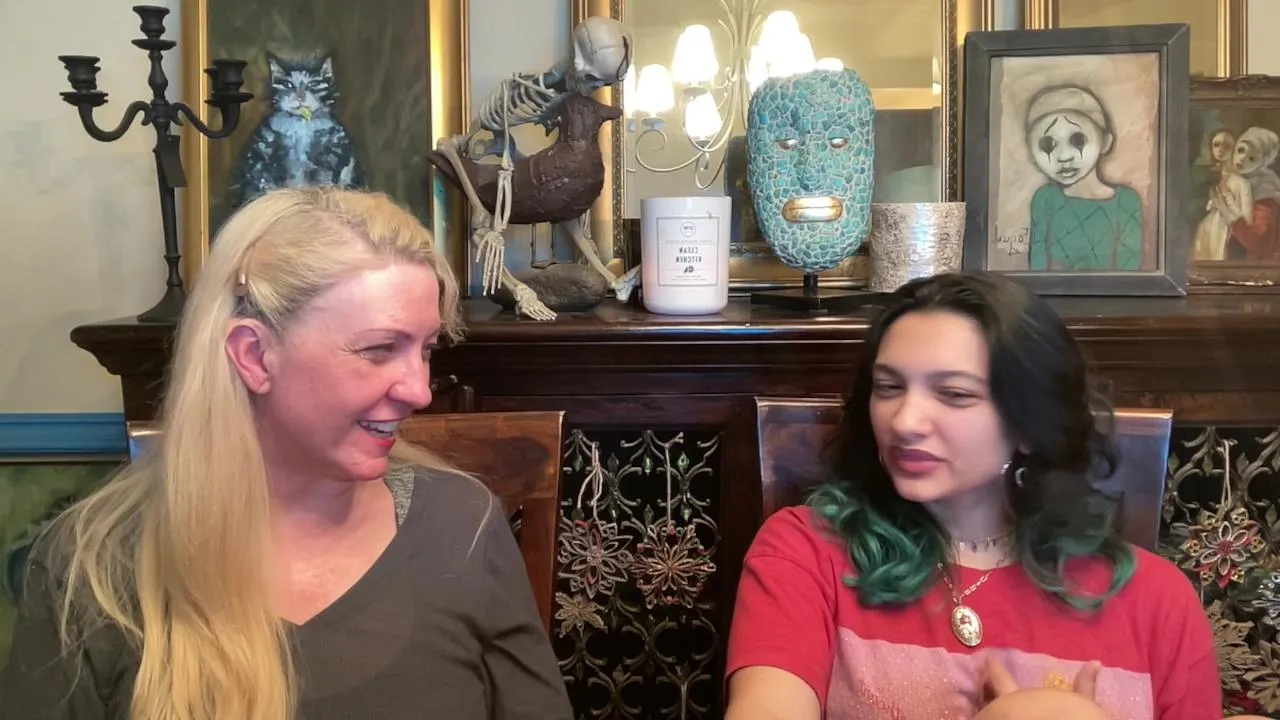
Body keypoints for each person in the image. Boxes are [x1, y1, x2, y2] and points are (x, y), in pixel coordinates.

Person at [0, 187, 572, 720]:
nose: (420, 391)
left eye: (425, 349)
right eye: (379, 349)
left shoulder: (463, 524)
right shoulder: (92, 565)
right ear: (253, 355)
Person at [723, 271, 1220, 719]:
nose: (905, 422)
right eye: (889, 387)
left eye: (955, 395)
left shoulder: (1157, 601)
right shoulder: (807, 552)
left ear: (1028, 424)